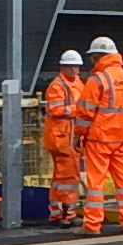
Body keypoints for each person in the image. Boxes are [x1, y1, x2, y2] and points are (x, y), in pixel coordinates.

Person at [74, 35, 123, 235]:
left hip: (99, 138)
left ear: (97, 57)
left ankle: (92, 225)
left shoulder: (97, 80)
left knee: (96, 183)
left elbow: (85, 113)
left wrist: (78, 134)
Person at [42, 49, 85, 226]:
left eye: (77, 66)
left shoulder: (78, 84)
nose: (75, 70)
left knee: (62, 178)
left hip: (69, 137)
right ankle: (67, 214)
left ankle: (58, 212)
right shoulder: (58, 86)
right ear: (64, 67)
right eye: (71, 66)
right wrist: (79, 111)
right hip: (62, 138)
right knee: (67, 177)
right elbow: (56, 109)